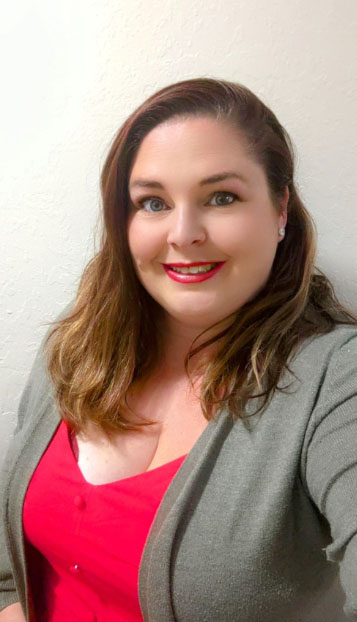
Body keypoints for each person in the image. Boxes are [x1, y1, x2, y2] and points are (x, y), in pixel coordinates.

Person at [1, 77, 357, 622]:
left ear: (280, 208)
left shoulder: (336, 379)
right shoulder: (71, 352)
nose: (183, 233)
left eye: (221, 197)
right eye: (153, 203)